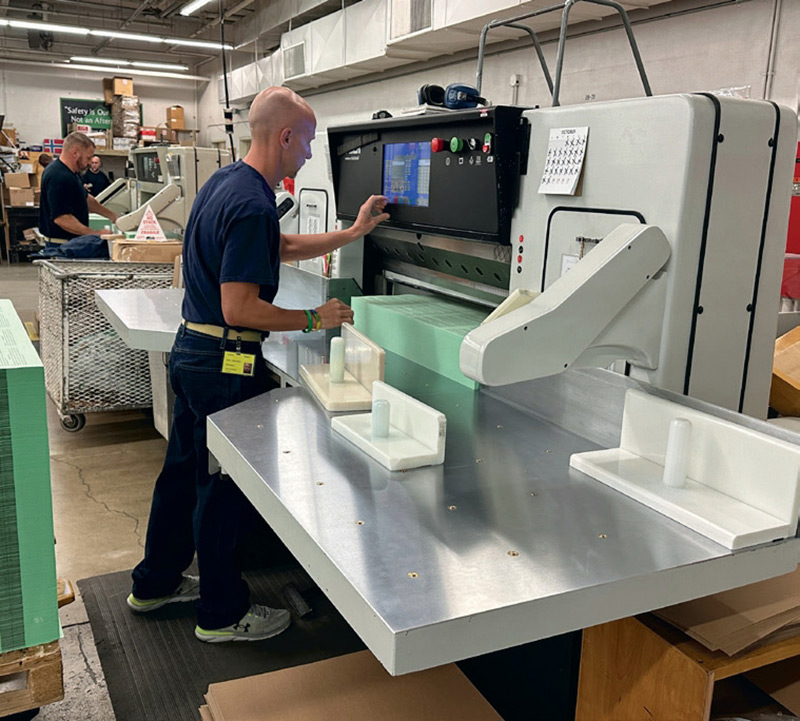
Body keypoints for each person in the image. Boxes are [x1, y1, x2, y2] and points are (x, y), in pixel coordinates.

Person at [127, 86, 389, 643]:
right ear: (286, 136)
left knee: (182, 477)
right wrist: (315, 318)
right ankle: (222, 614)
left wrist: (352, 233)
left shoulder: (228, 183)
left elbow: (280, 247)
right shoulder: (252, 203)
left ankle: (155, 584)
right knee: (221, 489)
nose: (310, 154)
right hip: (223, 366)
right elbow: (240, 307)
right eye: (308, 142)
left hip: (192, 355)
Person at [38, 133, 118, 250]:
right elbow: (62, 219)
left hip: (70, 243)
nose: (90, 162)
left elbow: (86, 199)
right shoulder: (58, 176)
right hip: (61, 246)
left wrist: (113, 216)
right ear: (75, 153)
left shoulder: (72, 173)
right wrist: (94, 234)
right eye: (88, 158)